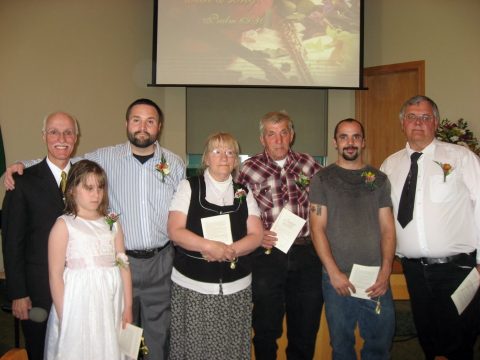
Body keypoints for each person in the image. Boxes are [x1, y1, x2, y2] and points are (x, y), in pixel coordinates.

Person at [4, 98, 185, 360]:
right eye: (136, 120)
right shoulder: (105, 158)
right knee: (116, 336)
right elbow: (62, 157)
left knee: (158, 336)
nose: (142, 126)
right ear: (126, 124)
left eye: (150, 121)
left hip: (160, 262)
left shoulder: (175, 164)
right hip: (119, 266)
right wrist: (20, 165)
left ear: (159, 126)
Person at [380, 95, 480, 360]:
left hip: (457, 269)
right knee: (429, 340)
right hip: (414, 270)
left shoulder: (461, 158)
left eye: (425, 117)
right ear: (402, 123)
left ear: (435, 122)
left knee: (458, 343)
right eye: (412, 117)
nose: (418, 123)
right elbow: (384, 218)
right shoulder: (390, 166)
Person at [167, 132, 263, 359]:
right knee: (194, 349)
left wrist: (231, 251)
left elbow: (257, 234)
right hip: (193, 287)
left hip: (236, 288)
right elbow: (175, 230)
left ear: (236, 160)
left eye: (230, 152)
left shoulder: (244, 192)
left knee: (231, 349)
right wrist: (209, 246)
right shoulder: (189, 187)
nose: (224, 157)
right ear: (206, 158)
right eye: (217, 151)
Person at [236, 111, 323, 360]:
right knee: (265, 327)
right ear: (262, 139)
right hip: (266, 255)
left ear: (292, 135)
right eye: (271, 134)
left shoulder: (309, 164)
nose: (278, 139)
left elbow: (324, 206)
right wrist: (254, 233)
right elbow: (237, 212)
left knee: (305, 327)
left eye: (284, 133)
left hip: (306, 252)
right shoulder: (248, 169)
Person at [309, 118, 396, 359]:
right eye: (344, 137)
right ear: (335, 142)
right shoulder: (322, 179)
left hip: (375, 278)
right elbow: (317, 228)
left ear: (363, 142)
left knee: (379, 346)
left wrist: (386, 271)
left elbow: (388, 229)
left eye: (356, 136)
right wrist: (333, 272)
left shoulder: (379, 179)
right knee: (342, 347)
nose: (350, 142)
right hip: (337, 278)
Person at [1, 112, 78, 360]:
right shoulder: (23, 182)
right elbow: (12, 242)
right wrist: (18, 292)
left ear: (76, 137)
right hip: (37, 291)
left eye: (68, 132)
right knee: (40, 351)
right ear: (44, 136)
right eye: (54, 132)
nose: (62, 138)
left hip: (80, 286)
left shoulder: (87, 179)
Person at [44, 160, 133, 359]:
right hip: (79, 299)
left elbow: (123, 264)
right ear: (73, 190)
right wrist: (64, 314)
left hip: (110, 296)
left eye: (100, 188)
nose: (96, 194)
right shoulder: (64, 225)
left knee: (108, 345)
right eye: (89, 188)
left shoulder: (112, 221)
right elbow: (55, 275)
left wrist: (127, 305)